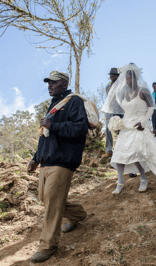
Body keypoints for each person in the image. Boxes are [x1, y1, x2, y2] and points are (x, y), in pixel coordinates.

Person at [28, 71, 89, 263]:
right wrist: (35, 158)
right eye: (48, 83)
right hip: (46, 160)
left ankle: (48, 246)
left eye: (53, 83)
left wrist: (53, 125)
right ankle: (78, 214)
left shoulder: (74, 102)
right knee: (46, 199)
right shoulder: (53, 105)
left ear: (64, 84)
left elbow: (80, 129)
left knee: (52, 204)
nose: (49, 86)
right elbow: (44, 135)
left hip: (62, 161)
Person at [102, 63, 156, 194]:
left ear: (136, 78)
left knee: (136, 153)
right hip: (126, 126)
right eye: (126, 78)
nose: (128, 81)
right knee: (119, 154)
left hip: (139, 126)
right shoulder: (124, 94)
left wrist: (143, 121)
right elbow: (123, 110)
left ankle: (143, 178)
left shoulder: (143, 91)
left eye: (130, 78)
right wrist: (117, 123)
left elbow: (151, 108)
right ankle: (120, 181)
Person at [102, 68, 122, 159]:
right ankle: (109, 150)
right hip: (110, 110)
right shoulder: (107, 87)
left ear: (118, 76)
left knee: (121, 129)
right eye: (111, 74)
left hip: (120, 110)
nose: (112, 76)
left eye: (114, 74)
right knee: (108, 128)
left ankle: (121, 149)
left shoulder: (122, 86)